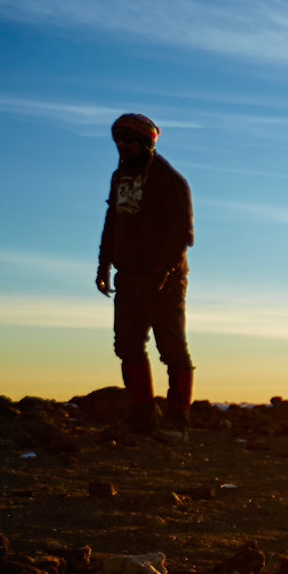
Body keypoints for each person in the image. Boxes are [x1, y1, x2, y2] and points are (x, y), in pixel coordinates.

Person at [96, 113, 193, 434]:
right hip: (128, 276)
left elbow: (181, 234)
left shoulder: (169, 179)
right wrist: (103, 265)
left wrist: (160, 277)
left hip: (164, 278)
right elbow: (113, 221)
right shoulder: (120, 176)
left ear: (146, 142)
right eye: (118, 140)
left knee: (172, 348)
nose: (121, 146)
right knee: (127, 345)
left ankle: (178, 419)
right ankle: (142, 415)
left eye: (128, 140)